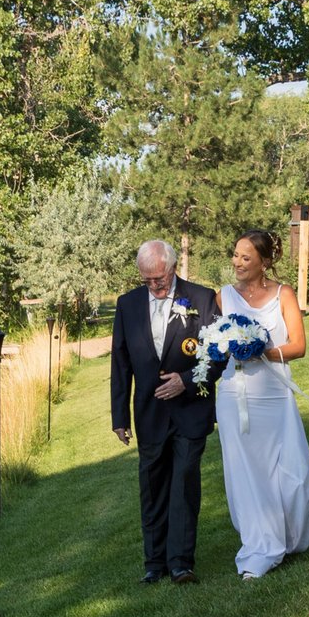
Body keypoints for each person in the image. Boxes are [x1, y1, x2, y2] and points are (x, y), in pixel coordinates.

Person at [110, 240, 221, 584]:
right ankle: (154, 562)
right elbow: (120, 363)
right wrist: (119, 417)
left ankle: (181, 563)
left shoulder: (202, 298)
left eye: (159, 279)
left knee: (184, 483)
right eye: (147, 280)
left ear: (172, 268)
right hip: (149, 412)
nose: (154, 286)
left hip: (191, 410)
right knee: (152, 486)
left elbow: (217, 354)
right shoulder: (127, 304)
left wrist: (185, 381)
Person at [215, 230, 309, 579]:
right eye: (235, 255)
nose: (237, 262)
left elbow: (299, 346)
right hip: (234, 396)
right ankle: (260, 545)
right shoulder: (223, 297)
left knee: (286, 469)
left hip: (274, 396)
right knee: (244, 472)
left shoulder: (283, 294)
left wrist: (261, 350)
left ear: (264, 262)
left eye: (246, 257)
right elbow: (214, 344)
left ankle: (287, 533)